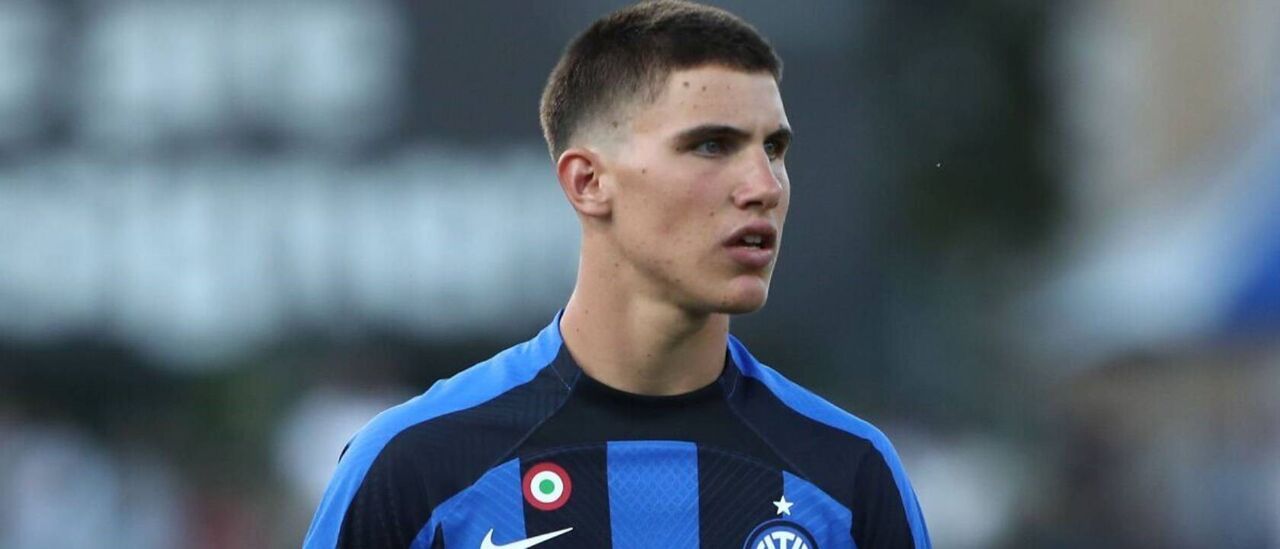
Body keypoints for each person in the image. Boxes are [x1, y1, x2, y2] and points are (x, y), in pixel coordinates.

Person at [303, 1, 930, 548]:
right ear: (588, 182)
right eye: (712, 145)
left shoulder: (849, 474)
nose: (764, 186)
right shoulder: (416, 467)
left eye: (774, 148)